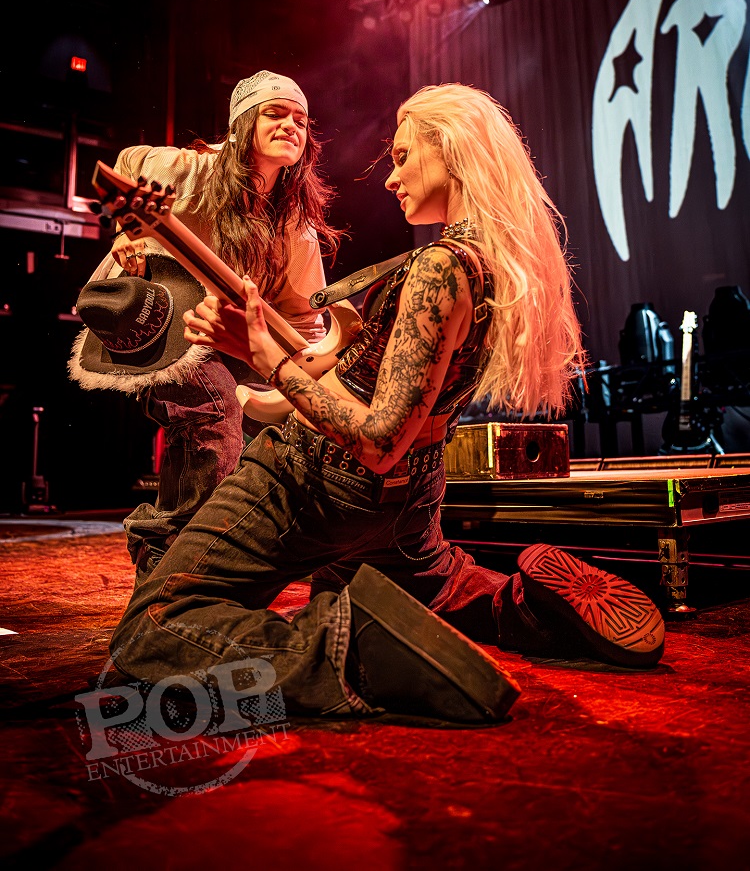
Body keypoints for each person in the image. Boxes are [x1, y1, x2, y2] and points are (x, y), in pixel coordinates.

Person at [109, 83, 665, 724]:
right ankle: (524, 605)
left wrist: (263, 354)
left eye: (403, 157)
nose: (391, 178)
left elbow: (377, 440)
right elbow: (387, 400)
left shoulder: (438, 268)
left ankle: (344, 651)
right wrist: (295, 372)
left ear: (450, 153)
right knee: (433, 583)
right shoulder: (487, 264)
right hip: (407, 503)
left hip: (320, 479)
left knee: (153, 627)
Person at [72, 70, 341, 581]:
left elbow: (304, 318)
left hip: (226, 333)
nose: (291, 125)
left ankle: (233, 550)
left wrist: (307, 384)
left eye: (301, 120)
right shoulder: (189, 170)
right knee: (215, 411)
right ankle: (170, 557)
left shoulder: (294, 222)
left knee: (286, 427)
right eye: (276, 113)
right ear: (242, 124)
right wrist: (126, 232)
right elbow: (125, 164)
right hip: (157, 317)